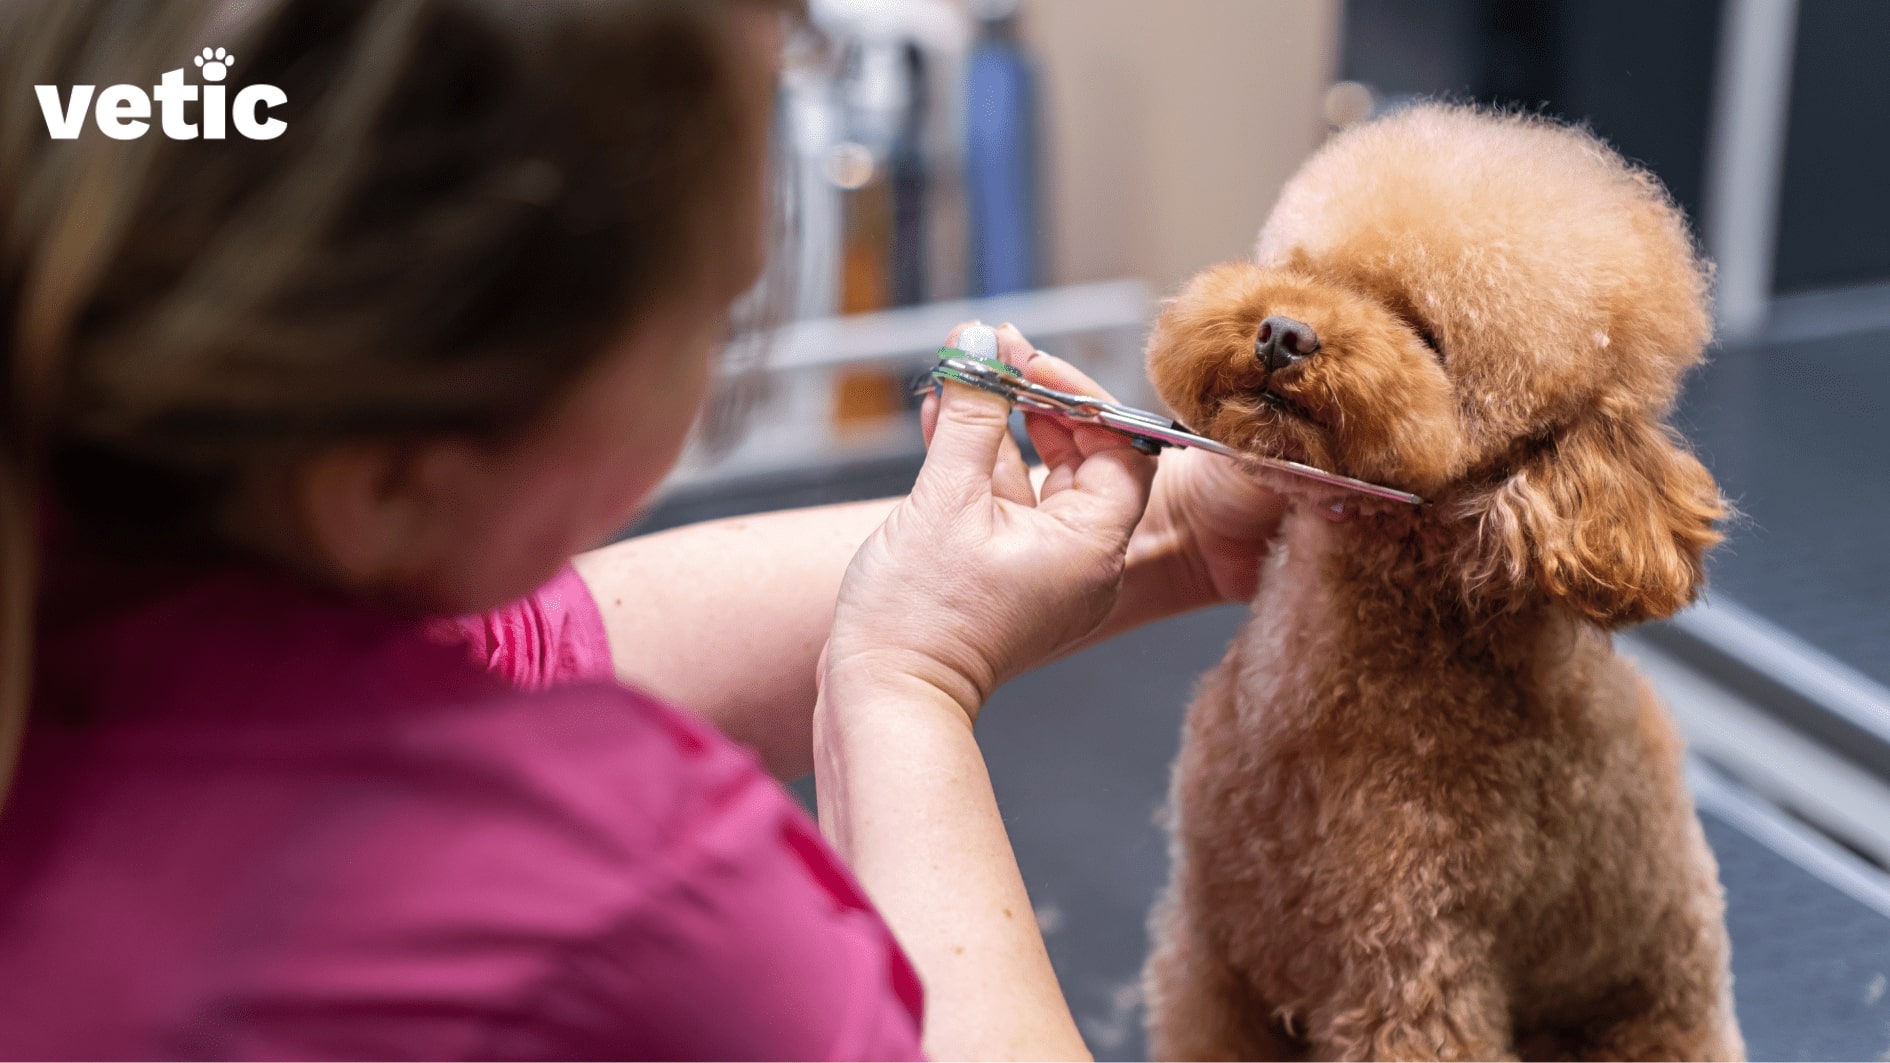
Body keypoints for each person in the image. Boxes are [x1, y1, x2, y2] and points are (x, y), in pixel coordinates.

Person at [0, 1, 1284, 1058]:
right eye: (718, 320)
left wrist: (1173, 527)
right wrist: (907, 686)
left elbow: (533, 647)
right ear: (406, 479)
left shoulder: (91, 552)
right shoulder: (606, 895)